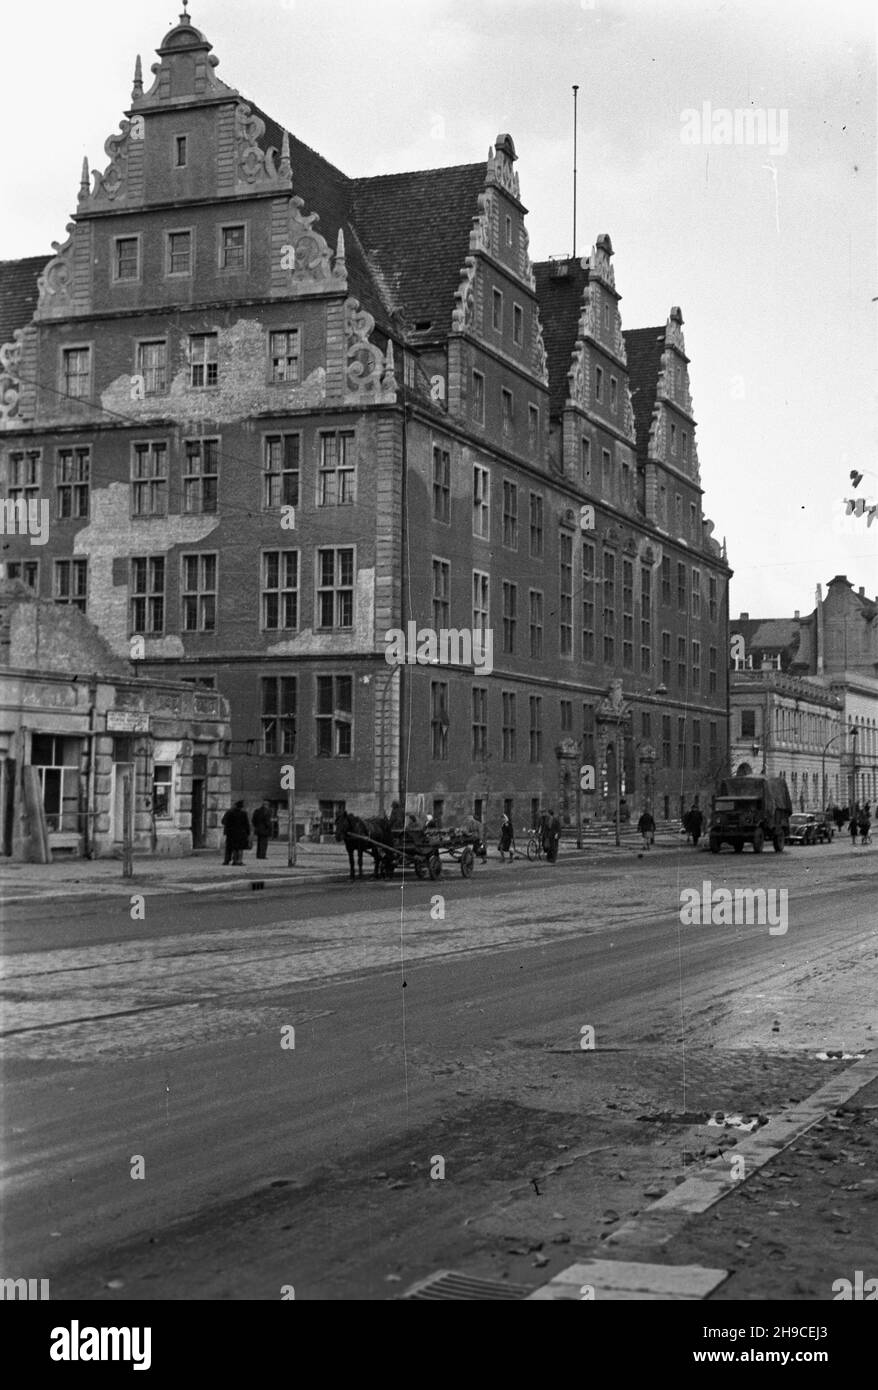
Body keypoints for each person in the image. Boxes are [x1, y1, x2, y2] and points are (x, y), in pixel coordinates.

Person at [221, 800, 251, 866]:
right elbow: (246, 824)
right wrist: (248, 833)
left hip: (230, 833)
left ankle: (227, 860)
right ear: (241, 807)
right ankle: (238, 860)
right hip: (241, 833)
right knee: (239, 848)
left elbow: (223, 821)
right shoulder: (243, 813)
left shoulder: (229, 812)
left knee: (229, 847)